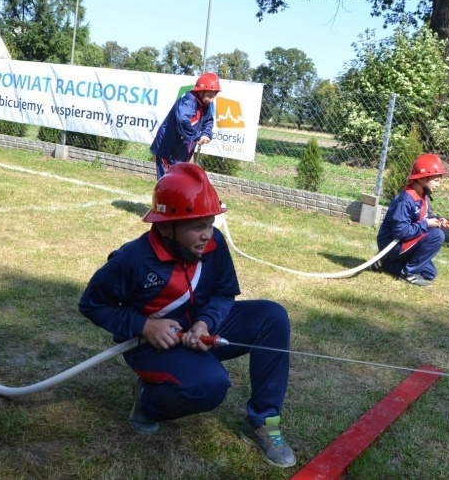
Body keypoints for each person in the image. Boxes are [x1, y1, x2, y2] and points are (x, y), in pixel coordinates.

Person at [78, 163, 296, 468]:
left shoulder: (213, 244)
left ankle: (263, 423)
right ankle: (148, 402)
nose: (207, 235)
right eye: (197, 226)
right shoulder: (131, 261)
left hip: (197, 327)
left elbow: (223, 293)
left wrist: (205, 323)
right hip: (150, 345)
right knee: (210, 385)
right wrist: (144, 326)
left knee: (272, 317)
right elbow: (92, 305)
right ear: (166, 226)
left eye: (210, 223)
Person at [372, 154, 449, 287]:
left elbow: (425, 217)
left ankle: (385, 263)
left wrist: (437, 221)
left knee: (429, 274)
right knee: (437, 235)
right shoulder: (405, 200)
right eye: (436, 180)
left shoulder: (423, 196)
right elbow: (400, 232)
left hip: (407, 241)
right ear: (422, 180)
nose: (439, 185)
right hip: (392, 244)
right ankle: (408, 273)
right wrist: (427, 224)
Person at [150, 72, 220, 179]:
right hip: (168, 149)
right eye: (209, 96)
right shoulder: (188, 101)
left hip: (182, 150)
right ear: (201, 91)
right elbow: (182, 120)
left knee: (179, 183)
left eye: (213, 96)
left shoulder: (205, 104)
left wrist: (206, 133)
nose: (211, 100)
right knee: (167, 183)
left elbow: (208, 121)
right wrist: (197, 136)